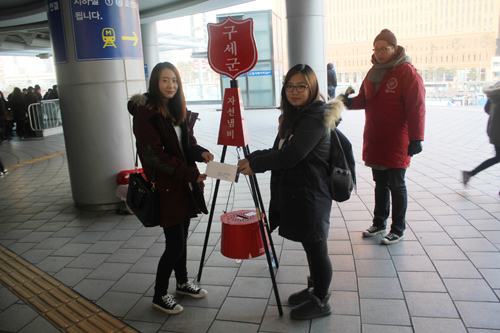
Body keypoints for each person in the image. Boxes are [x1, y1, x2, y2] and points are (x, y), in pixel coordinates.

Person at [238, 64, 344, 320]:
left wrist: (256, 165)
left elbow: (292, 155)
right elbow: (279, 148)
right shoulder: (296, 115)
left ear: (313, 88)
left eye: (301, 86)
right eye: (289, 86)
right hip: (300, 190)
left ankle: (321, 301)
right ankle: (314, 289)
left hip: (312, 192)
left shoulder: (315, 118)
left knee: (317, 246)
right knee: (311, 245)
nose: (294, 92)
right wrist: (253, 158)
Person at [127, 62, 214, 315]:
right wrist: (190, 173)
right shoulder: (146, 115)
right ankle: (159, 294)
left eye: (174, 80)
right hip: (166, 188)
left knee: (181, 240)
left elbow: (185, 145)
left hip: (182, 186)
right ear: (155, 82)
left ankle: (183, 283)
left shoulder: (177, 112)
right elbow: (154, 156)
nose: (171, 85)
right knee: (174, 244)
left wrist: (201, 153)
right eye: (165, 80)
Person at [339, 29, 425, 245]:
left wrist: (416, 138)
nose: (379, 53)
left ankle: (398, 228)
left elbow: (417, 108)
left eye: (383, 49)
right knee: (380, 183)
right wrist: (347, 103)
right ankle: (379, 223)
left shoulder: (406, 72)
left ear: (395, 49)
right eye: (376, 49)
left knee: (397, 184)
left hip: (397, 139)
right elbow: (364, 99)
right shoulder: (373, 72)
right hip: (376, 137)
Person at [462, 81, 500, 186]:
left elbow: (487, 109)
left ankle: (470, 174)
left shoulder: (495, 91)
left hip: (494, 130)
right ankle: (469, 174)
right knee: (498, 157)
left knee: (498, 157)